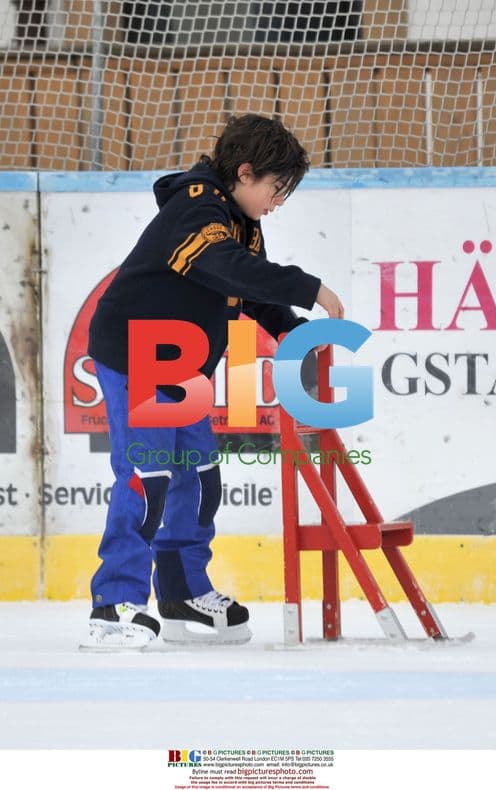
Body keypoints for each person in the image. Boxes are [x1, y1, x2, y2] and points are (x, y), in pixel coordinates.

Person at [80, 113, 344, 651]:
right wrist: (309, 287)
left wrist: (289, 329)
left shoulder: (240, 219)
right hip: (136, 353)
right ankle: (114, 605)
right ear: (245, 173)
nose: (278, 202)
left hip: (180, 367)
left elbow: (247, 287)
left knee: (199, 477)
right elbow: (228, 267)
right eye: (275, 189)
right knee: (148, 476)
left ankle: (181, 593)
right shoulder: (196, 206)